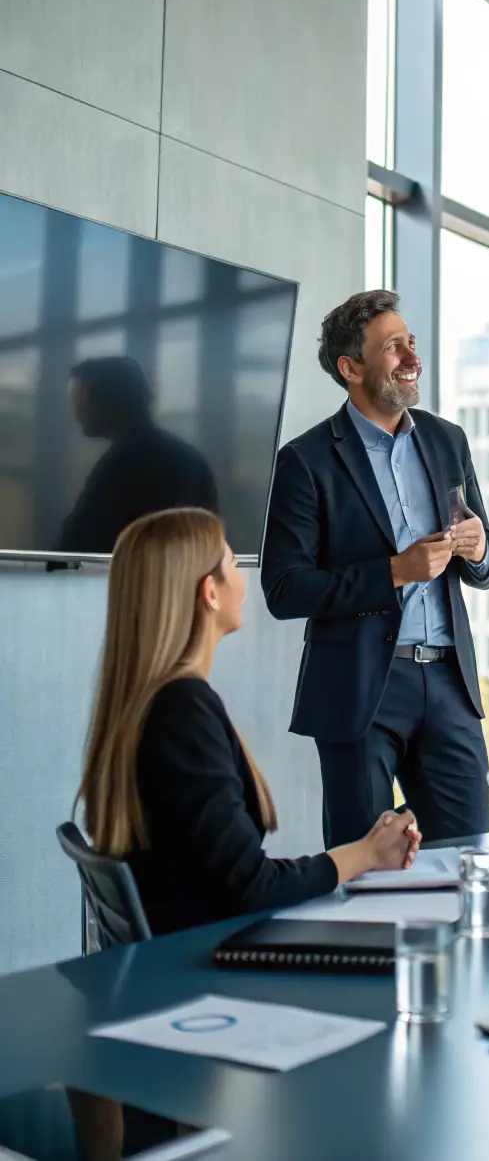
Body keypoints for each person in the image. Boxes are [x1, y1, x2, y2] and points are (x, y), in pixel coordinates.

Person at [76, 507, 420, 936]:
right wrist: (366, 854)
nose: (243, 581)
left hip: (189, 955)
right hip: (208, 965)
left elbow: (235, 877)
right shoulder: (183, 712)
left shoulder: (153, 701)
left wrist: (367, 852)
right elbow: (253, 888)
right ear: (210, 593)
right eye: (233, 565)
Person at [261, 290, 489, 848]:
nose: (411, 357)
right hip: (360, 688)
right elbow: (284, 589)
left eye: (410, 342)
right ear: (351, 368)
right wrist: (395, 570)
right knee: (362, 867)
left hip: (449, 684)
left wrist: (479, 549)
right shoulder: (307, 460)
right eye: (393, 347)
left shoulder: (448, 440)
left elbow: (487, 561)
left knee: (470, 857)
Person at [56, 356, 218, 555]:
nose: (77, 411)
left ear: (107, 399)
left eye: (82, 399)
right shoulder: (191, 461)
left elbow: (75, 546)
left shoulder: (121, 466)